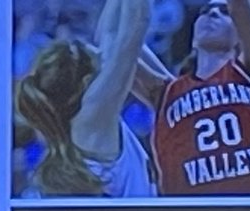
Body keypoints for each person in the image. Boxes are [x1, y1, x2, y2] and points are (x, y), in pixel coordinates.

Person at [134, 0, 250, 195]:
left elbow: (240, 6)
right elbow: (117, 45)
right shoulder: (167, 91)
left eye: (224, 11)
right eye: (205, 11)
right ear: (193, 35)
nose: (212, 14)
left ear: (241, 33)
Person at [15, 0, 155, 197]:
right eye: (84, 46)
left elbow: (111, 33)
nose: (92, 45)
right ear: (86, 80)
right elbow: (137, 25)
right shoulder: (91, 118)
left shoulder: (83, 108)